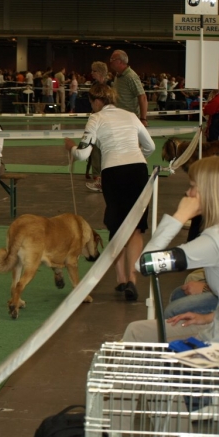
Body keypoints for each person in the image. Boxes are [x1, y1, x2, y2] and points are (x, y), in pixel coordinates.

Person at [64, 83, 155, 302]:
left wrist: (71, 148)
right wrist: (134, 155)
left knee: (116, 225)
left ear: (96, 101)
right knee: (136, 227)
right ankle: (132, 278)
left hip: (114, 172)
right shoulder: (131, 115)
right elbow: (150, 147)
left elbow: (84, 155)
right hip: (138, 170)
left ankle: (121, 278)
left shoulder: (96, 119)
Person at [123, 156, 219, 343]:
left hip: (214, 344)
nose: (188, 192)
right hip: (214, 324)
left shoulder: (213, 241)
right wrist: (209, 317)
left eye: (192, 186)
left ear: (207, 192)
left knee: (136, 332)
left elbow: (144, 263)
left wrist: (180, 216)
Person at [86, 61, 112, 192]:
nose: (92, 73)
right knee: (95, 150)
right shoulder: (94, 86)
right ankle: (98, 179)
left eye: (94, 71)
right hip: (96, 121)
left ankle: (103, 180)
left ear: (101, 72)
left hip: (107, 122)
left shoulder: (110, 87)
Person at [109, 49, 148, 126]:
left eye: (112, 59)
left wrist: (143, 119)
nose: (110, 61)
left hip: (130, 120)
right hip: (119, 118)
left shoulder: (131, 76)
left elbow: (142, 97)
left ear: (120, 61)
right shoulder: (118, 75)